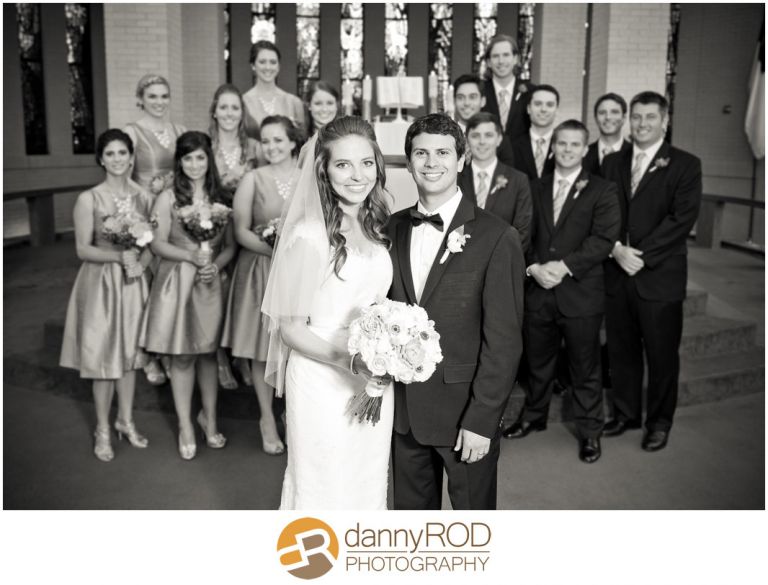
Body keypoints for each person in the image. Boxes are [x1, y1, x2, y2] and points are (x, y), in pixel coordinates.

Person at [387, 114, 525, 510]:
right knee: (412, 527)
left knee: (472, 525)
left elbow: (504, 341)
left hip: (465, 413)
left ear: (462, 160)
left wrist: (482, 419)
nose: (431, 162)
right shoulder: (390, 229)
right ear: (409, 162)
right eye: (421, 153)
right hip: (405, 415)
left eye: (443, 153)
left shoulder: (497, 236)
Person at [262, 116, 393, 509]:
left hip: (372, 379)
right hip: (321, 381)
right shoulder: (308, 235)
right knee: (325, 487)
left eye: (366, 163)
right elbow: (290, 329)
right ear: (324, 170)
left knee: (366, 481)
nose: (358, 176)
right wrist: (350, 361)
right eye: (343, 164)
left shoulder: (375, 224)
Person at [501, 120, 620, 464]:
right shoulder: (534, 186)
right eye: (562, 143)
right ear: (553, 147)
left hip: (580, 293)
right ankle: (534, 416)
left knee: (585, 367)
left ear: (585, 149)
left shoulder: (603, 189)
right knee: (538, 363)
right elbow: (522, 233)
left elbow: (603, 239)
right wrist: (533, 267)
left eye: (574, 144)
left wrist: (564, 266)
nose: (567, 149)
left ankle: (590, 431)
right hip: (539, 291)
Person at [601, 91, 702, 452]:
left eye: (650, 117)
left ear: (665, 120)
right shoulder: (612, 162)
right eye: (637, 117)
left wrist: (640, 256)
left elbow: (682, 218)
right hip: (618, 272)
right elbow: (602, 210)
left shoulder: (685, 164)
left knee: (661, 356)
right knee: (622, 351)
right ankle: (626, 413)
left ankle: (659, 422)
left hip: (659, 277)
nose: (642, 124)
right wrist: (615, 248)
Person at [139, 131, 236, 460]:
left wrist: (216, 265)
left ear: (209, 159)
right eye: (187, 158)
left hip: (210, 283)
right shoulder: (168, 197)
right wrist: (189, 256)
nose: (194, 164)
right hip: (178, 281)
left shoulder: (222, 196)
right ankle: (185, 425)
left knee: (208, 354)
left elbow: (230, 246)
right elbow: (157, 243)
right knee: (182, 356)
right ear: (179, 162)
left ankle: (209, 418)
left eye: (200, 157)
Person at [60, 129, 153, 462]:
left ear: (131, 157)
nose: (117, 159)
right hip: (100, 283)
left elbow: (151, 243)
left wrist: (140, 263)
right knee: (103, 360)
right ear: (101, 159)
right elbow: (82, 249)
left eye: (122, 153)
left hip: (132, 284)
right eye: (110, 153)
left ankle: (125, 420)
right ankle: (102, 428)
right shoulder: (90, 199)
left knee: (130, 358)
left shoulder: (144, 197)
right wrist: (118, 256)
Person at [222, 115, 303, 456]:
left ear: (293, 142)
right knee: (261, 347)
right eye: (266, 141)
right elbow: (240, 231)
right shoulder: (252, 179)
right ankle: (266, 417)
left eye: (278, 140)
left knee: (296, 345)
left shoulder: (308, 177)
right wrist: (275, 251)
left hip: (299, 273)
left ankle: (292, 413)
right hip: (261, 269)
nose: (271, 147)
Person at [123, 73, 187, 387]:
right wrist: (149, 192)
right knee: (146, 284)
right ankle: (148, 353)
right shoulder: (131, 132)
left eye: (164, 96)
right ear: (141, 99)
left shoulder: (179, 131)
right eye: (152, 96)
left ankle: (168, 347)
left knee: (169, 284)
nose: (159, 102)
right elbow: (123, 173)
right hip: (143, 211)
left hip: (173, 211)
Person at [209, 83, 262, 389]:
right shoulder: (207, 146)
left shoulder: (254, 147)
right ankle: (219, 359)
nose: (229, 113)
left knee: (243, 295)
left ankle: (241, 355)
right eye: (223, 107)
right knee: (217, 292)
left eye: (235, 108)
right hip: (214, 228)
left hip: (246, 225)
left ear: (242, 113)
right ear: (214, 112)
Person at [458, 111, 533, 252]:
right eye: (475, 136)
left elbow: (522, 233)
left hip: (503, 262)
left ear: (499, 139)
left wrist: (496, 261)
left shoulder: (519, 181)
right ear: (467, 140)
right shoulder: (454, 180)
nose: (482, 142)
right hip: (461, 262)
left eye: (488, 135)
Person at [242, 40, 306, 141]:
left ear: (278, 66)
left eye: (273, 62)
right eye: (262, 62)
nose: (268, 67)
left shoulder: (293, 102)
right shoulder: (243, 102)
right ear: (253, 66)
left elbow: (301, 142)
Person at [453, 73, 515, 166]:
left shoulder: (499, 139)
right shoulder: (446, 136)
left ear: (483, 101)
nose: (466, 103)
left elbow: (507, 173)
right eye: (460, 97)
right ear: (454, 101)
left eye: (472, 97)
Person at [481, 35, 533, 143]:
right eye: (495, 56)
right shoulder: (479, 91)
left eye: (506, 55)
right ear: (488, 62)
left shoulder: (531, 92)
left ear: (515, 59)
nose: (501, 61)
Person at [510, 84, 559, 181]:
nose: (543, 109)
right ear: (528, 109)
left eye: (549, 105)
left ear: (556, 110)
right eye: (538, 104)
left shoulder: (564, 145)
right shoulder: (512, 145)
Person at [583, 92, 632, 175]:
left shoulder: (635, 154)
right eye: (602, 113)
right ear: (595, 118)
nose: (608, 117)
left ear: (624, 118)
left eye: (614, 112)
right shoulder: (583, 154)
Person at [296, 80, 340, 168]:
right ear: (309, 105)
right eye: (318, 104)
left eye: (330, 103)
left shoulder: (346, 136)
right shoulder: (298, 139)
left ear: (336, 106)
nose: (324, 109)